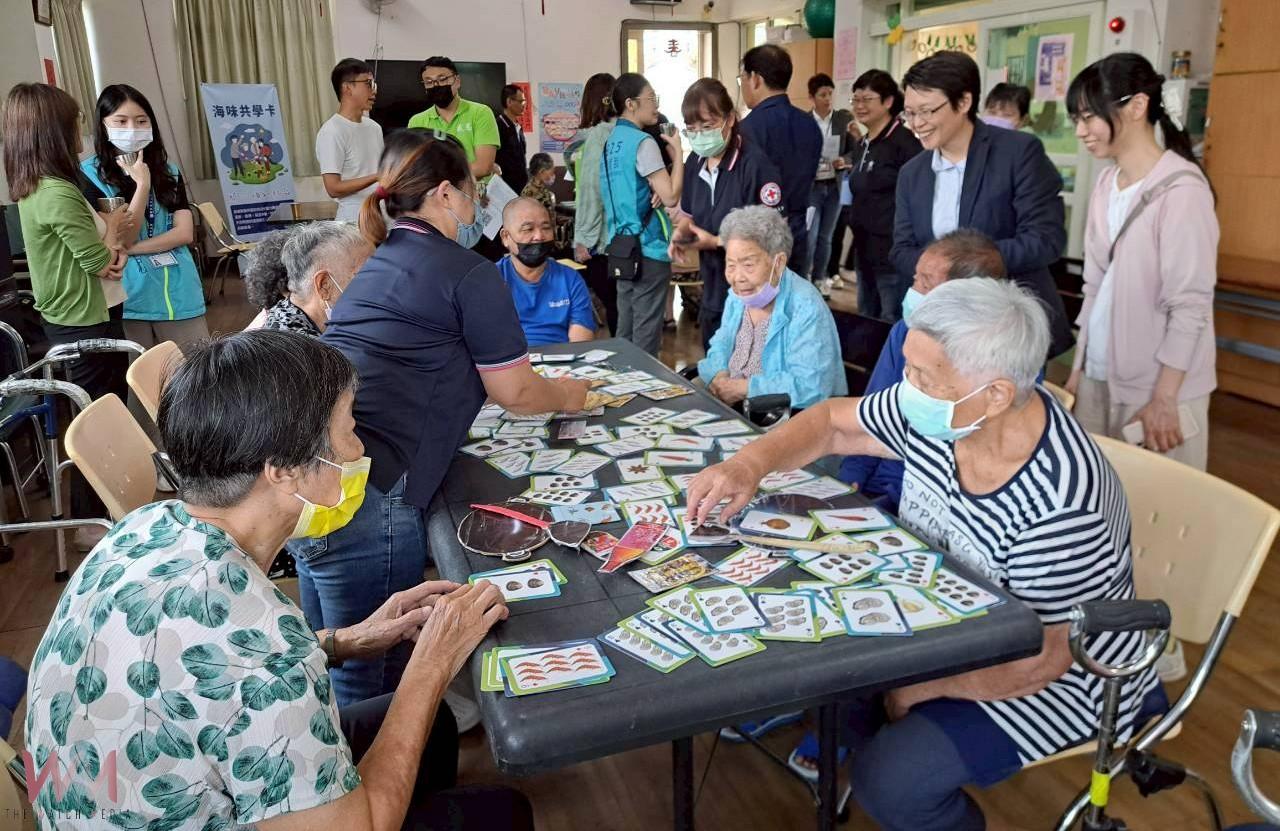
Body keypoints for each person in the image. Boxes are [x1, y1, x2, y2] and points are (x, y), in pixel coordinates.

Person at [689, 278, 1165, 831]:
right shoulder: (947, 413)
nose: (905, 386)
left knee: (894, 783)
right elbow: (831, 423)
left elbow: (1043, 659)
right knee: (820, 669)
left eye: (922, 376)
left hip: (1069, 677)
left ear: (996, 394)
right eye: (908, 366)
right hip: (950, 619)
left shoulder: (1062, 501)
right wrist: (748, 465)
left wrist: (917, 685)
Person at [23, 329, 533, 830]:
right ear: (284, 470)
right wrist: (433, 663)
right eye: (347, 428)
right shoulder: (266, 651)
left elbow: (202, 667)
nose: (356, 450)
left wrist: (343, 641)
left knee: (435, 727)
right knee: (502, 811)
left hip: (97, 799)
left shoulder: (142, 527)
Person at [296, 131, 590, 706]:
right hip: (371, 496)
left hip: (316, 484)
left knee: (325, 660)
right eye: (473, 191)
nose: (477, 203)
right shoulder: (466, 271)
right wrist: (574, 396)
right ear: (447, 194)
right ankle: (372, 785)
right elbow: (516, 391)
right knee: (370, 674)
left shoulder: (378, 263)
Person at [1065, 55, 1218, 468]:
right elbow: (1094, 285)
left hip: (1157, 385)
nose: (1081, 132)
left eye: (1090, 118)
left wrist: (1165, 397)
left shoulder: (1182, 191)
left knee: (1161, 514)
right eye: (1077, 119)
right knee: (1100, 506)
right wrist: (1079, 367)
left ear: (1136, 106)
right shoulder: (1104, 183)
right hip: (1100, 373)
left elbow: (1190, 304)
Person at [3, 83, 129, 549]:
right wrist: (115, 229)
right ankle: (87, 522)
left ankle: (102, 509)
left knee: (97, 413)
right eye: (74, 121)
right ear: (51, 131)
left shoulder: (42, 188)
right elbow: (105, 263)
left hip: (81, 314)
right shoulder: (56, 193)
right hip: (83, 320)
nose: (81, 129)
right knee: (93, 420)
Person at [891, 51, 1073, 359]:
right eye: (909, 113)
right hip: (940, 326)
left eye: (927, 111)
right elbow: (901, 249)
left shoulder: (1017, 153)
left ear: (963, 102)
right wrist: (932, 275)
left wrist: (960, 268)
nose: (917, 124)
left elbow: (1045, 239)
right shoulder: (913, 173)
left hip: (1005, 331)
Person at [838, 229, 1007, 512]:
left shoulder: (1005, 361)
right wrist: (851, 478)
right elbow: (869, 415)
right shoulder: (905, 332)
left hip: (938, 505)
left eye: (925, 283)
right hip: (878, 486)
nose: (913, 290)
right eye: (916, 277)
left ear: (964, 296)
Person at [80, 84, 209, 352]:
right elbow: (120, 236)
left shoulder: (168, 170)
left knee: (198, 377)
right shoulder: (89, 175)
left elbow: (184, 233)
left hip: (179, 291)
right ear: (103, 125)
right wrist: (142, 187)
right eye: (121, 121)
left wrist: (133, 248)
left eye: (141, 121)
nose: (132, 129)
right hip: (129, 297)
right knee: (140, 387)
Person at [671, 78, 783, 351]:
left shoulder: (754, 166)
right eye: (692, 129)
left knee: (746, 370)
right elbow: (689, 214)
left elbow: (771, 236)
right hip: (713, 288)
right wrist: (680, 233)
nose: (700, 135)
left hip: (752, 294)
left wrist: (716, 242)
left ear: (730, 119)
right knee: (715, 366)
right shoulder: (695, 161)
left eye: (707, 127)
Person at [697, 206, 845, 409]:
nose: (738, 277)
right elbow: (721, 344)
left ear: (779, 262)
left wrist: (744, 388)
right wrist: (719, 374)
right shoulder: (738, 295)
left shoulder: (805, 306)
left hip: (782, 419)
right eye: (731, 265)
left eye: (748, 265)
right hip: (733, 406)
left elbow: (812, 386)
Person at [599, 72, 683, 358]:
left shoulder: (611, 143)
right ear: (631, 104)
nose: (655, 105)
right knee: (647, 334)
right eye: (651, 99)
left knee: (626, 327)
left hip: (621, 245)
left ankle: (622, 387)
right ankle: (645, 395)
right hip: (648, 246)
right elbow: (670, 196)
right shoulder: (642, 142)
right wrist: (679, 155)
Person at [738, 44, 823, 278]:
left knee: (761, 308)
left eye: (742, 78)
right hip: (798, 231)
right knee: (792, 302)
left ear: (755, 79)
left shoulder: (746, 130)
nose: (743, 85)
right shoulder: (809, 124)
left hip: (760, 238)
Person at [845, 69, 923, 321]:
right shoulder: (862, 143)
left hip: (892, 254)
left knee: (891, 319)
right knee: (867, 316)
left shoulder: (905, 144)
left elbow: (917, 198)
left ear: (888, 102)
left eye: (867, 99)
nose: (859, 106)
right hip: (864, 248)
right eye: (855, 99)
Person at [245, 222, 373, 337]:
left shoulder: (287, 309)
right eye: (364, 275)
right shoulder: (305, 352)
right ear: (324, 285)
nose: (377, 283)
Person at [498, 196, 595, 346]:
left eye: (546, 228)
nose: (539, 236)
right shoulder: (490, 280)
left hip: (562, 364)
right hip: (511, 365)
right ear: (506, 237)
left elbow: (581, 344)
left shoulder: (570, 280)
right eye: (528, 229)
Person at [566, 72, 619, 335]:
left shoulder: (594, 137)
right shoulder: (625, 134)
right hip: (624, 236)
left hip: (600, 237)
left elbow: (589, 190)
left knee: (613, 305)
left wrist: (583, 237)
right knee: (623, 307)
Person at [409, 56, 499, 183]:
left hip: (477, 197)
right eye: (429, 82)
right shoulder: (417, 121)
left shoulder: (480, 113)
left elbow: (483, 167)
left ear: (457, 81)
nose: (436, 86)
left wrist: (435, 174)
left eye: (442, 79)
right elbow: (416, 169)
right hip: (438, 198)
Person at [804, 73, 855, 295]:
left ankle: (820, 278)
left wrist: (845, 160)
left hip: (834, 184)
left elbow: (855, 150)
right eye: (822, 94)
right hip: (812, 186)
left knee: (827, 236)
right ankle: (805, 276)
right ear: (811, 97)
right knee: (811, 236)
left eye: (830, 94)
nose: (827, 99)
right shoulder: (804, 121)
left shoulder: (843, 120)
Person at [317, 58, 385, 224]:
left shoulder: (374, 127)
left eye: (374, 84)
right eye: (368, 84)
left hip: (381, 212)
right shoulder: (332, 131)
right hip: (353, 218)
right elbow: (333, 188)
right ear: (347, 87)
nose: (374, 91)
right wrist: (377, 176)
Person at [496, 83, 529, 194]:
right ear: (509, 102)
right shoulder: (498, 126)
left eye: (524, 101)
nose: (524, 105)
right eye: (521, 101)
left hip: (520, 187)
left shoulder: (518, 127)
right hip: (504, 188)